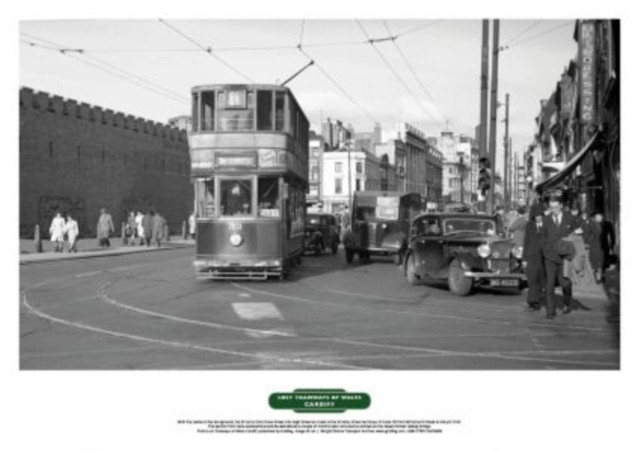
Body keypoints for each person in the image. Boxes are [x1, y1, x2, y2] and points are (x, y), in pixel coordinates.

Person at [541, 196, 579, 319]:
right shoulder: (546, 220)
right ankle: (550, 311)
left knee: (565, 283)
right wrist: (544, 250)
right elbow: (542, 237)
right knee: (549, 284)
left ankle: (567, 302)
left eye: (556, 207)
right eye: (551, 208)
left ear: (561, 205)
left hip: (564, 256)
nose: (554, 210)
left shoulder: (570, 218)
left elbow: (578, 231)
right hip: (550, 256)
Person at [522, 204, 546, 311]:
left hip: (543, 258)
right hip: (531, 257)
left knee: (540, 281)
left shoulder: (546, 225)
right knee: (532, 280)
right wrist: (524, 259)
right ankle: (531, 301)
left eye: (540, 215)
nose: (538, 217)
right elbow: (526, 242)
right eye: (536, 215)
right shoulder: (529, 225)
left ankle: (535, 301)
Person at [587, 212, 616, 283]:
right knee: (595, 261)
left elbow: (612, 235)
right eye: (597, 216)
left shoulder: (608, 224)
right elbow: (587, 234)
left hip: (604, 245)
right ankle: (598, 276)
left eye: (600, 216)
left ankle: (602, 274)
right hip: (594, 245)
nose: (598, 218)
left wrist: (612, 245)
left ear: (602, 216)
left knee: (604, 261)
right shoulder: (591, 225)